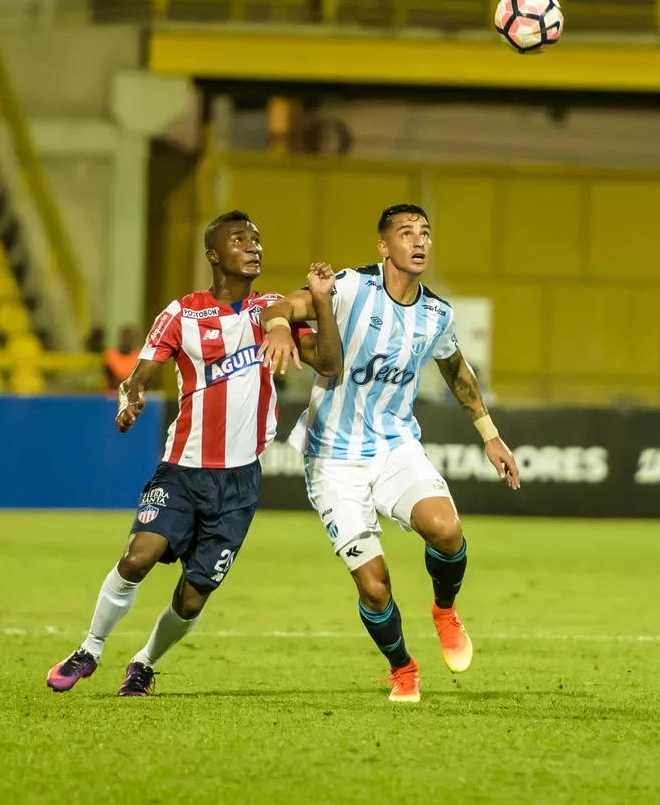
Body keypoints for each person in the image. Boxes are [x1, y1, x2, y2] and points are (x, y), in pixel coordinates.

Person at [47, 211, 341, 697]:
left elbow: (329, 362)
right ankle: (90, 649)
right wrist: (132, 400)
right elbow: (138, 375)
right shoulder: (182, 313)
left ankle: (143, 663)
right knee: (139, 556)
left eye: (258, 239)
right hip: (182, 471)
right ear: (213, 255)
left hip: (239, 484)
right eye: (240, 240)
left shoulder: (273, 311)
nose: (254, 247)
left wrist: (322, 306)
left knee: (193, 596)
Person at [259, 204, 520, 704]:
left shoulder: (437, 314)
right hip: (333, 457)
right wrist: (275, 326)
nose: (419, 241)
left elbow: (456, 370)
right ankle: (403, 667)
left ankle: (444, 610)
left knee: (446, 530)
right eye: (406, 233)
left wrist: (489, 434)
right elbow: (290, 304)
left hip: (395, 444)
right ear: (384, 246)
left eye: (425, 233)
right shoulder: (354, 287)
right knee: (374, 586)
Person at [104, 325, 140, 391]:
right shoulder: (110, 356)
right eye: (124, 338)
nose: (126, 341)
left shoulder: (140, 357)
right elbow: (112, 380)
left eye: (129, 338)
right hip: (113, 395)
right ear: (120, 339)